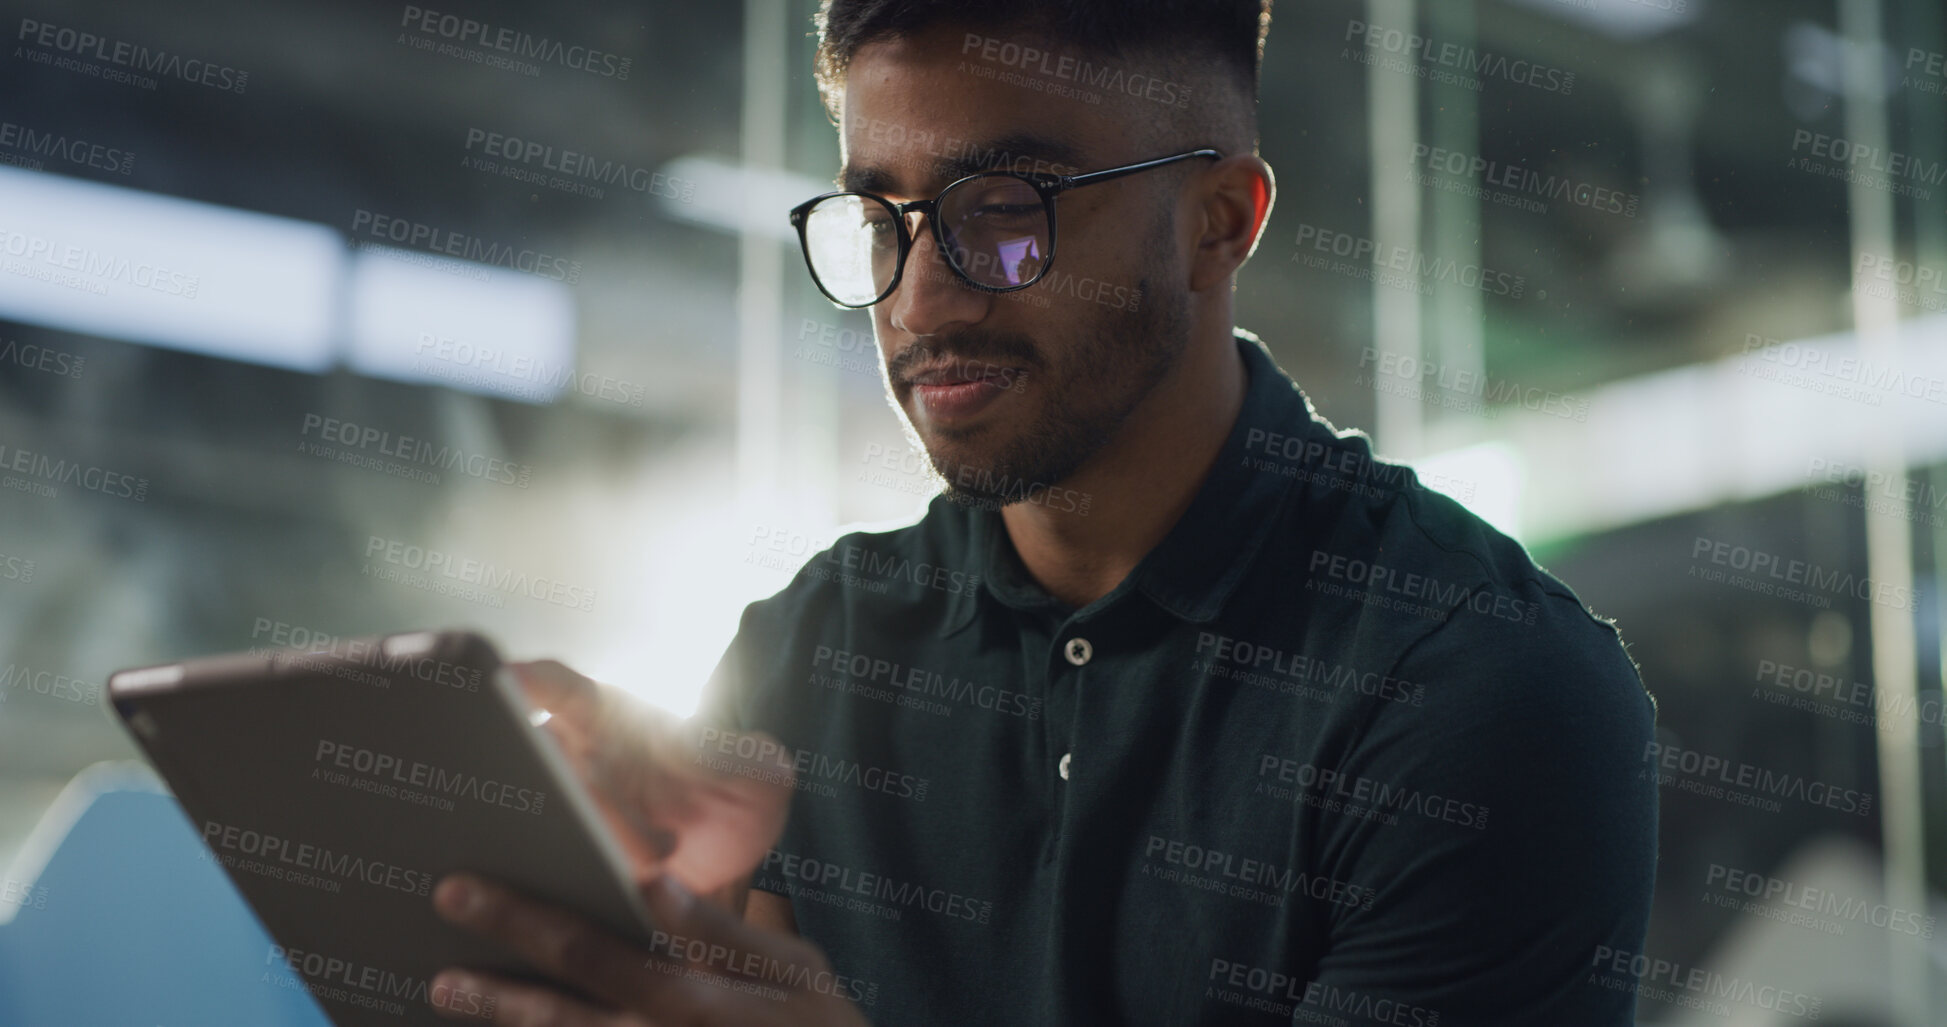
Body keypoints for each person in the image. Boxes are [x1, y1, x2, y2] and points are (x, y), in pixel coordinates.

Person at [426, 2, 1660, 1024]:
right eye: (884, 221)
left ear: (1216, 224)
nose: (920, 302)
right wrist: (603, 909)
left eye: (1005, 209)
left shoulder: (1476, 686)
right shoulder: (815, 644)